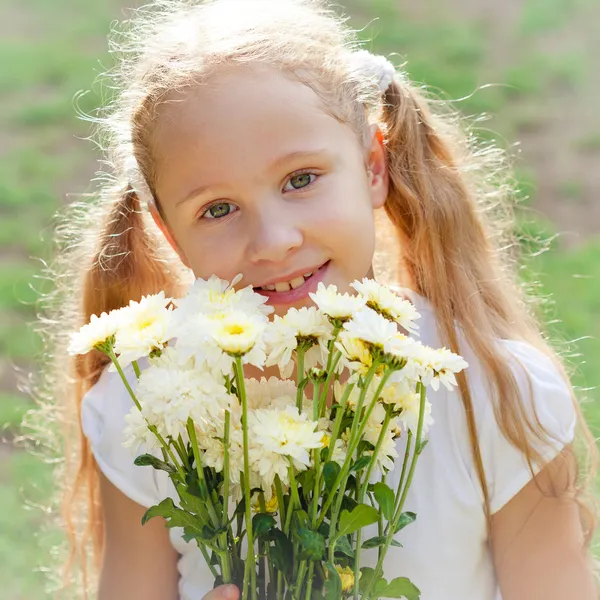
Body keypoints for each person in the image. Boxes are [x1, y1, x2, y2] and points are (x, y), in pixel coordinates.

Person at [34, 0, 598, 598]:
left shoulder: (497, 396)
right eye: (217, 210)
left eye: (300, 179)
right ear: (169, 233)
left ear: (373, 167)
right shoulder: (143, 411)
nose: (274, 243)